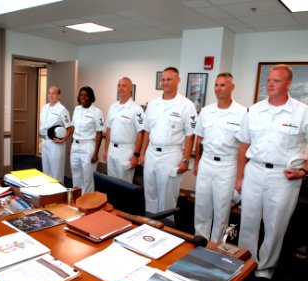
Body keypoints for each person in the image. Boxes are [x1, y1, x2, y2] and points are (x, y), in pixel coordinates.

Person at [235, 64, 308, 281]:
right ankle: (245, 263)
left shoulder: (304, 112)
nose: (271, 84)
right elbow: (243, 146)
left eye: (277, 80)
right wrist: (239, 176)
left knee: (275, 226)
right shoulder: (254, 110)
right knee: (248, 221)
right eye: (269, 80)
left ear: (288, 84)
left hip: (284, 177)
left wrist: (304, 170)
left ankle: (265, 270)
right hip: (254, 171)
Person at [193, 72, 246, 243]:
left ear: (232, 87)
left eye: (223, 85)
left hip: (227, 165)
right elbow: (199, 138)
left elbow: (244, 147)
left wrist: (240, 176)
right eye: (216, 85)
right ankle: (200, 241)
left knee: (222, 209)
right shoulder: (207, 111)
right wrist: (196, 164)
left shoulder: (242, 113)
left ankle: (216, 245)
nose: (218, 88)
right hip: (206, 162)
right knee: (201, 206)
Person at [141, 67, 197, 215]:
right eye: (163, 79)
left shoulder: (186, 105)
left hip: (171, 155)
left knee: (167, 198)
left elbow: (190, 135)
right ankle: (149, 227)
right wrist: (142, 153)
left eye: (169, 79)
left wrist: (185, 160)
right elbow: (147, 131)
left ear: (178, 80)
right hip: (151, 153)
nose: (165, 82)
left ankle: (166, 230)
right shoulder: (153, 104)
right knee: (150, 194)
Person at [103, 77, 144, 183]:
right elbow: (108, 129)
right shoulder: (113, 107)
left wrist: (136, 155)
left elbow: (141, 133)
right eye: (119, 85)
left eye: (124, 86)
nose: (121, 88)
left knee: (124, 186)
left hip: (126, 152)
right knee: (111, 183)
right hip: (112, 150)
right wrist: (106, 150)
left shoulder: (136, 109)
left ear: (131, 89)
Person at [70, 86, 104, 194]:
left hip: (88, 146)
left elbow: (99, 133)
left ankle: (87, 204)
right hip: (75, 145)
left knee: (88, 178)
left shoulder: (97, 112)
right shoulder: (76, 109)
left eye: (86, 95)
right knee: (76, 176)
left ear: (91, 97)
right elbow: (74, 128)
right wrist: (71, 146)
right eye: (81, 95)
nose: (83, 97)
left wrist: (96, 154)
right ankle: (77, 202)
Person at [39, 85, 74, 182]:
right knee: (46, 173)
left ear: (59, 95)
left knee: (56, 173)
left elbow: (70, 128)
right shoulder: (45, 108)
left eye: (53, 93)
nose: (51, 95)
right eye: (49, 93)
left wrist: (63, 139)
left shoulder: (62, 110)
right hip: (45, 142)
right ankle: (48, 195)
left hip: (55, 144)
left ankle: (58, 195)